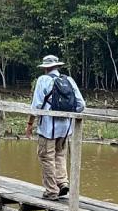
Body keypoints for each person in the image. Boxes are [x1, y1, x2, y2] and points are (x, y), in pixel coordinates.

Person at [24, 54, 85, 200]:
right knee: (60, 154)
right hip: (66, 128)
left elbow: (36, 106)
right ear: (57, 66)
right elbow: (81, 105)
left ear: (45, 68)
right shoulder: (68, 80)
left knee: (46, 156)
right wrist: (67, 115)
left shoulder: (43, 80)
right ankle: (62, 182)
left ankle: (51, 191)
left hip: (48, 127)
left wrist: (30, 124)